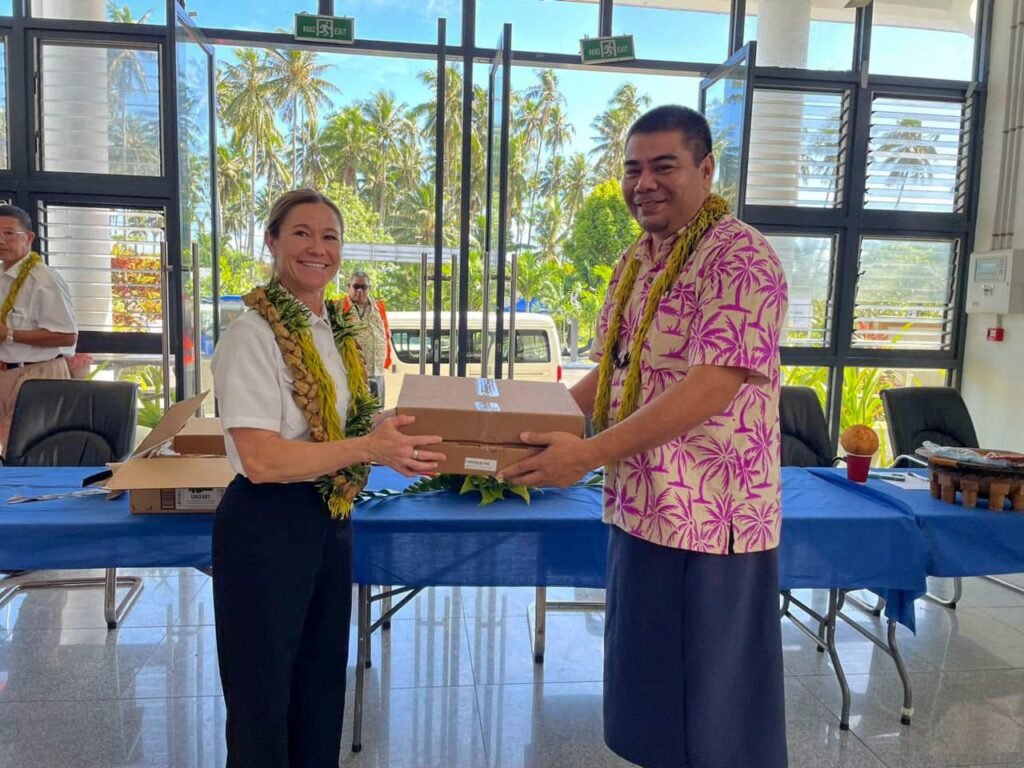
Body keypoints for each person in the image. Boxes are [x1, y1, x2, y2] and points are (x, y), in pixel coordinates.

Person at [501, 106, 789, 767]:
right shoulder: (639, 258)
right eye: (633, 169)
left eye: (665, 166)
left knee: (711, 716)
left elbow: (711, 386)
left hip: (710, 522)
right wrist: (524, 428)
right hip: (640, 509)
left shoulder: (739, 256)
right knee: (652, 701)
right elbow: (614, 370)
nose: (644, 183)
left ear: (706, 169)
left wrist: (587, 454)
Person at [210, 188, 445, 768]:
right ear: (271, 241)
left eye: (330, 236)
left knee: (318, 687)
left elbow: (334, 430)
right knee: (263, 695)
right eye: (301, 233)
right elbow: (261, 459)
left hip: (328, 517)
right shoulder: (253, 335)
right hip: (267, 526)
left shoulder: (333, 331)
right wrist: (368, 446)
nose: (318, 248)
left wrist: (385, 428)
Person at [0, 204, 78, 450]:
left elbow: (67, 336)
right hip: (7, 373)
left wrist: (9, 335)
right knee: (8, 448)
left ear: (29, 238)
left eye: (9, 233)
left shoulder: (43, 278)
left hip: (39, 374)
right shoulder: (3, 276)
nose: (2, 240)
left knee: (29, 450)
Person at [343, 270, 392, 404]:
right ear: (349, 287)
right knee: (357, 415)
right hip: (353, 373)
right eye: (356, 286)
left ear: (369, 288)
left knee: (377, 414)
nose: (360, 290)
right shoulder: (340, 307)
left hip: (378, 372)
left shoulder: (379, 307)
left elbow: (386, 335)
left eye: (364, 287)